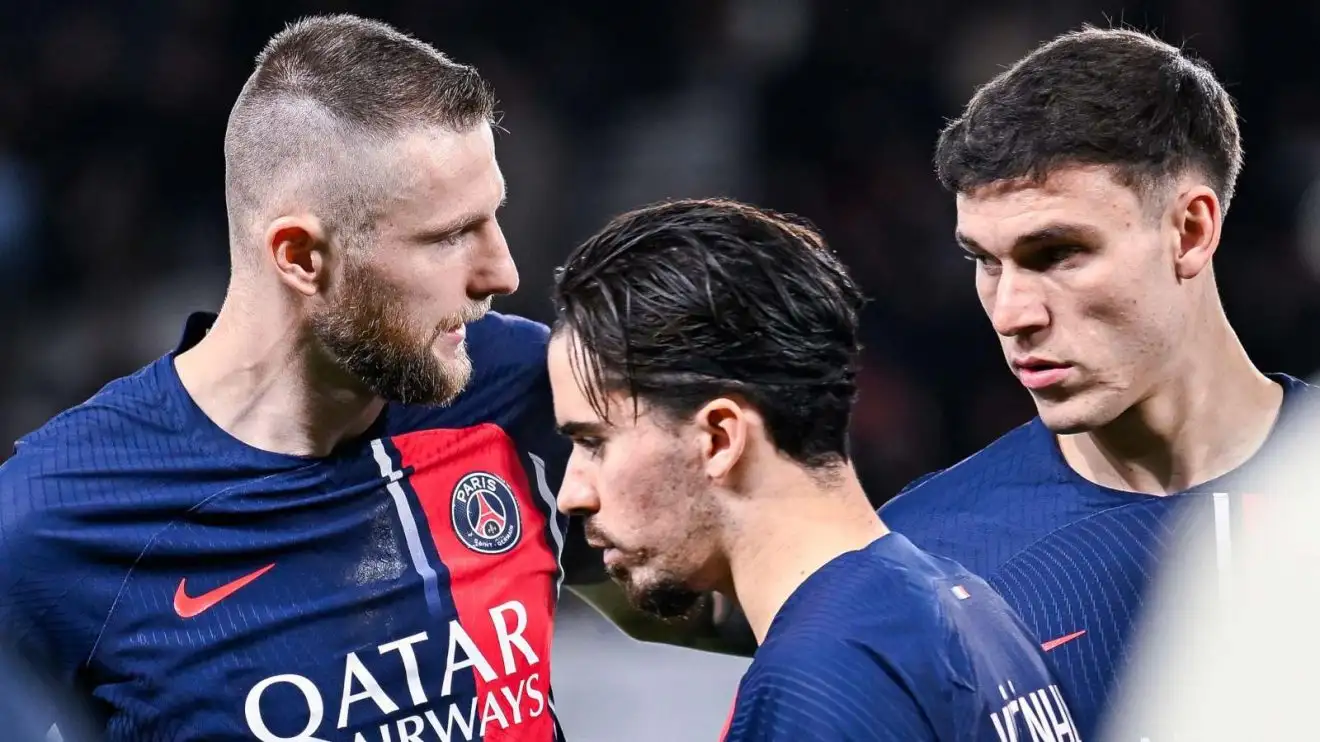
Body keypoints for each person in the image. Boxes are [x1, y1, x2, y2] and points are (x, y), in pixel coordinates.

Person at [0, 14, 724, 741]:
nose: (501, 273)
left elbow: (719, 611)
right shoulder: (54, 523)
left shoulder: (517, 390)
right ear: (301, 257)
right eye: (447, 236)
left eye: (492, 218)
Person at [879, 26, 1318, 740]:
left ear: (1190, 230)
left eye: (1057, 252)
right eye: (985, 262)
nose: (1013, 312)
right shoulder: (916, 566)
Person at [548, 197, 1081, 741]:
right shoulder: (964, 609)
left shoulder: (819, 680)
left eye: (594, 442)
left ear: (720, 439)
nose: (571, 494)